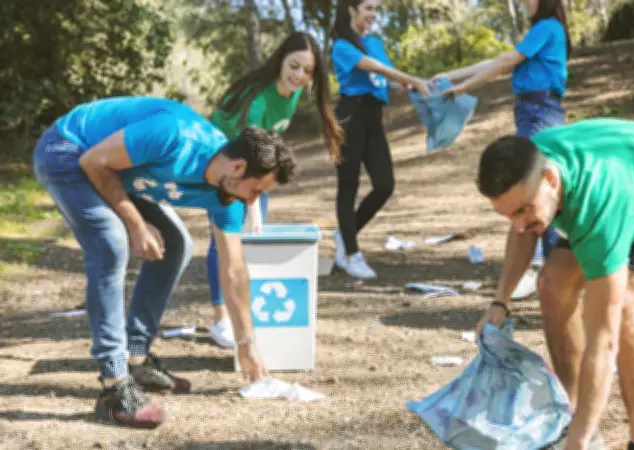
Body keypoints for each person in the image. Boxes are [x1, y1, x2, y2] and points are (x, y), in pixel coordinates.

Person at [32, 96, 298, 428]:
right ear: (238, 167)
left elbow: (233, 269)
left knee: (177, 245)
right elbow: (94, 161)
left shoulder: (229, 196)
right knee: (112, 246)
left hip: (111, 169)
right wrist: (136, 224)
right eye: (257, 190)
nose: (255, 201)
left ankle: (136, 357)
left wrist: (247, 345)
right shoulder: (174, 135)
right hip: (69, 151)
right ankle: (115, 386)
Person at [474, 118, 634, 450]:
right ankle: (572, 415)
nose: (519, 226)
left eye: (523, 210)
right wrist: (500, 301)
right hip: (632, 185)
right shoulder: (533, 163)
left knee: (622, 315)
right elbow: (522, 229)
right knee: (552, 285)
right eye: (508, 215)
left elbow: (603, 340)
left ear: (550, 179)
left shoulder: (599, 207)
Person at [205, 31, 344, 348]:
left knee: (254, 236)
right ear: (281, 59)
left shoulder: (293, 93)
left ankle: (246, 312)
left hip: (253, 166)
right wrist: (251, 203)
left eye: (307, 71)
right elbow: (242, 153)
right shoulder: (256, 100)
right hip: (223, 163)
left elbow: (264, 146)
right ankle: (220, 319)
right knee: (225, 236)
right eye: (294, 66)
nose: (299, 76)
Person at [437, 0, 571, 299]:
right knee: (532, 187)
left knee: (534, 189)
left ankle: (544, 269)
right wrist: (453, 77)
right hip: (531, 110)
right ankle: (545, 268)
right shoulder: (542, 30)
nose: (524, 2)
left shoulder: (547, 27)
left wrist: (461, 88)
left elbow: (504, 63)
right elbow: (497, 61)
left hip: (539, 111)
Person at [329, 0, 430, 279]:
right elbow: (372, 67)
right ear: (351, 10)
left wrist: (415, 86)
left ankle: (345, 234)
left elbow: (388, 80)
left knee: (385, 184)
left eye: (376, 9)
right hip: (350, 116)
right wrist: (410, 77)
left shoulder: (375, 43)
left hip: (373, 118)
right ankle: (351, 253)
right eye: (368, 8)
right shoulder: (341, 46)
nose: (373, 15)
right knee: (348, 186)